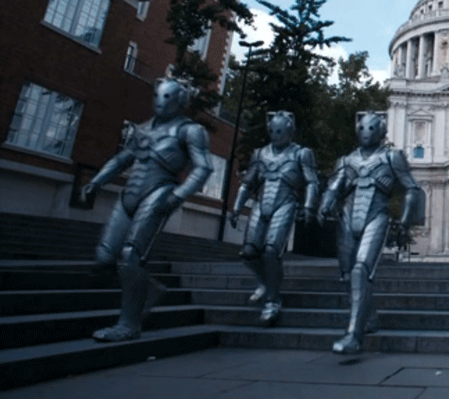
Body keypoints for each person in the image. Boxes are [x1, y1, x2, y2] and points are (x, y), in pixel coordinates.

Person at [81, 77, 212, 342]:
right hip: (129, 195)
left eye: (167, 98)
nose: (160, 103)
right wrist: (97, 180)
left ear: (180, 101)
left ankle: (128, 324)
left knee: (131, 256)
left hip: (159, 191)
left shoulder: (189, 131)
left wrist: (178, 196)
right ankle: (147, 289)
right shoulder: (141, 129)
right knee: (105, 257)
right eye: (157, 96)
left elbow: (204, 167)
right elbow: (122, 159)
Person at [319, 111, 425, 354]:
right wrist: (324, 205)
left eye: (372, 128)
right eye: (363, 128)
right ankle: (370, 317)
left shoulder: (392, 157)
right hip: (348, 216)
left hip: (376, 215)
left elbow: (412, 189)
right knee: (348, 276)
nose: (367, 133)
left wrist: (405, 220)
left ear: (381, 131)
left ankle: (353, 335)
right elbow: (334, 187)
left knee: (361, 269)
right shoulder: (346, 161)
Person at [229, 111, 318, 324]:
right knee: (248, 252)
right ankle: (265, 282)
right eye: (273, 131)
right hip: (260, 203)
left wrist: (308, 206)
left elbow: (312, 182)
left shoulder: (301, 154)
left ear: (289, 131)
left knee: (270, 251)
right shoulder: (260, 154)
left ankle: (272, 300)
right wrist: (236, 207)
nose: (276, 136)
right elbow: (248, 183)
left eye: (280, 131)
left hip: (285, 203)